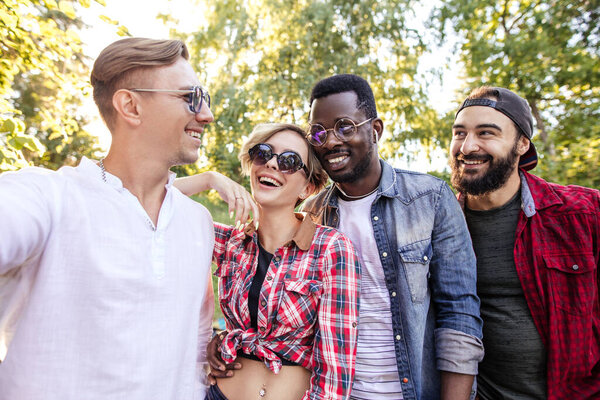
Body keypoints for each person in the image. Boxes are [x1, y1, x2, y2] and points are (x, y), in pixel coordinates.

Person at [0, 37, 254, 399]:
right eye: (190, 98)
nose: (207, 115)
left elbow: (196, 342)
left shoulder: (197, 222)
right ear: (131, 106)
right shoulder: (49, 199)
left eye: (206, 99)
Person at [176, 123, 361, 400]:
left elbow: (335, 373)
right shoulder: (228, 243)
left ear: (307, 187)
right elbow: (144, 200)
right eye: (263, 153)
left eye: (289, 161)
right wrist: (210, 179)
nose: (272, 163)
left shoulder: (331, 249)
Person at [450, 86, 600, 400]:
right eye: (459, 133)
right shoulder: (440, 226)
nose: (468, 146)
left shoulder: (583, 214)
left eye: (486, 133)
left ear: (521, 144)